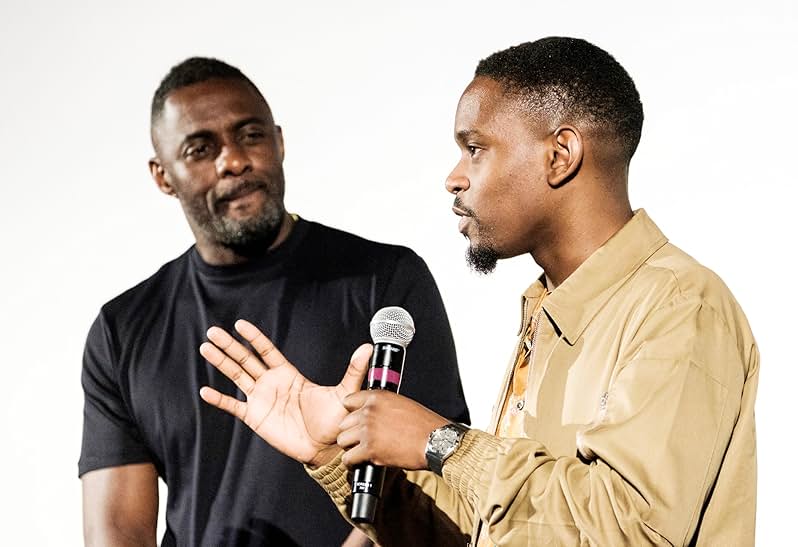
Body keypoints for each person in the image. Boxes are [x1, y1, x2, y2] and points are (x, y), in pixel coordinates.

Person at [199, 37, 759, 546]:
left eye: (476, 148)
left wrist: (442, 443)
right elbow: (497, 532)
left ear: (560, 156)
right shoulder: (551, 313)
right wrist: (334, 457)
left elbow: (628, 530)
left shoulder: (680, 306)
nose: (455, 177)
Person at [78, 57, 471, 547]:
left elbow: (433, 478)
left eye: (250, 136)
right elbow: (116, 529)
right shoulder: (123, 328)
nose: (234, 161)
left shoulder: (383, 280)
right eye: (201, 148)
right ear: (163, 175)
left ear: (279, 142)